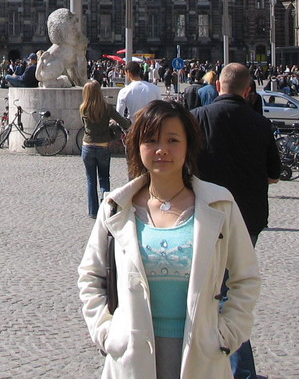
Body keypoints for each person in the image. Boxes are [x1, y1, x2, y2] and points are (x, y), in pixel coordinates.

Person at [78, 100, 260, 379]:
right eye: (150, 140)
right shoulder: (116, 207)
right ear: (138, 147)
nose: (161, 149)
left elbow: (246, 276)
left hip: (201, 354)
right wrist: (106, 332)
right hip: (131, 355)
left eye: (172, 140)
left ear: (188, 146)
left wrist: (227, 334)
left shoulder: (220, 205)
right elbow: (90, 275)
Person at [192, 63, 280, 379]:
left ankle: (226, 368)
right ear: (247, 90)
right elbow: (274, 175)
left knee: (205, 291)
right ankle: (238, 370)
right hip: (248, 219)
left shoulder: (198, 119)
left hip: (207, 216)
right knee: (232, 293)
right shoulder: (261, 124)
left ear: (218, 87)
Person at [79, 79, 130, 219]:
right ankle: (106, 210)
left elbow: (86, 126)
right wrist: (111, 124)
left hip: (87, 146)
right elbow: (123, 122)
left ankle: (93, 211)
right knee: (104, 178)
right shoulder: (107, 108)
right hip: (103, 146)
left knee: (90, 180)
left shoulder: (83, 108)